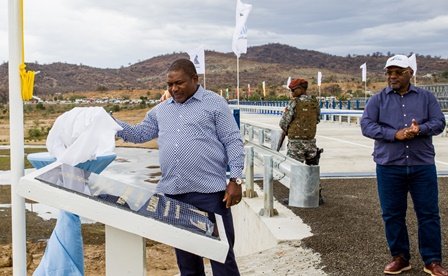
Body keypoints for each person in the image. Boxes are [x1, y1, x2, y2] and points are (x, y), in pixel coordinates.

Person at [114, 58, 245, 276]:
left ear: (195, 79)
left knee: (222, 259)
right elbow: (139, 134)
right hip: (174, 198)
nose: (174, 89)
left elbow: (233, 140)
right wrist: (110, 123)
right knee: (188, 264)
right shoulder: (160, 111)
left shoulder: (215, 103)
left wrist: (236, 180)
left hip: (211, 196)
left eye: (179, 83)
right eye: (170, 84)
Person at [361, 54, 447, 276]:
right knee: (392, 214)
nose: (392, 76)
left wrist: (421, 129)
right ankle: (400, 258)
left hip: (422, 165)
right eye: (389, 72)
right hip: (389, 166)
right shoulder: (377, 99)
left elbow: (439, 122)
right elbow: (367, 126)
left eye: (398, 72)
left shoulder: (426, 98)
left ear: (411, 73)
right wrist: (394, 134)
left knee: (428, 214)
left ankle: (432, 261)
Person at [279, 78, 323, 204]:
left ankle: (296, 197)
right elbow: (317, 119)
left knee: (295, 170)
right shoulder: (314, 102)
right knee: (312, 170)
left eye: (293, 90)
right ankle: (316, 196)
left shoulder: (294, 103)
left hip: (296, 143)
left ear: (301, 89)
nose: (291, 92)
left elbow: (283, 122)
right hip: (310, 141)